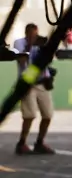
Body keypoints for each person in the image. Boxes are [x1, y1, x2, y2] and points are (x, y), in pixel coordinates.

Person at [13, 24, 55, 155]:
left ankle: (40, 142)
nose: (34, 37)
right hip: (28, 83)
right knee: (29, 115)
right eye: (31, 35)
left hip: (42, 82)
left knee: (48, 115)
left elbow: (49, 59)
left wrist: (45, 47)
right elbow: (21, 60)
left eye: (35, 35)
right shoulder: (19, 43)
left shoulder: (41, 44)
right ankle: (21, 143)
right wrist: (30, 45)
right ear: (26, 34)